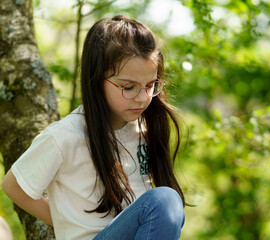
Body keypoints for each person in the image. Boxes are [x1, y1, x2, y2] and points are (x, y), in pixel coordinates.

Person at [2, 15, 187, 240]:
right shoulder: (66, 136)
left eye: (150, 86)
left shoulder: (143, 130)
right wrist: (63, 222)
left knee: (169, 207)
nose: (142, 98)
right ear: (97, 80)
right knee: (164, 201)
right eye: (129, 87)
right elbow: (13, 186)